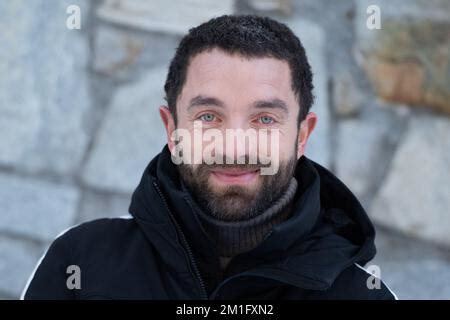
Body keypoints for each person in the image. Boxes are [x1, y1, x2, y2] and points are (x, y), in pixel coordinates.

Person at [22, 15, 396, 300]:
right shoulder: (80, 261)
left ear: (302, 136)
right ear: (172, 130)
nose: (234, 147)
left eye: (264, 119)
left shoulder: (363, 294)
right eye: (208, 117)